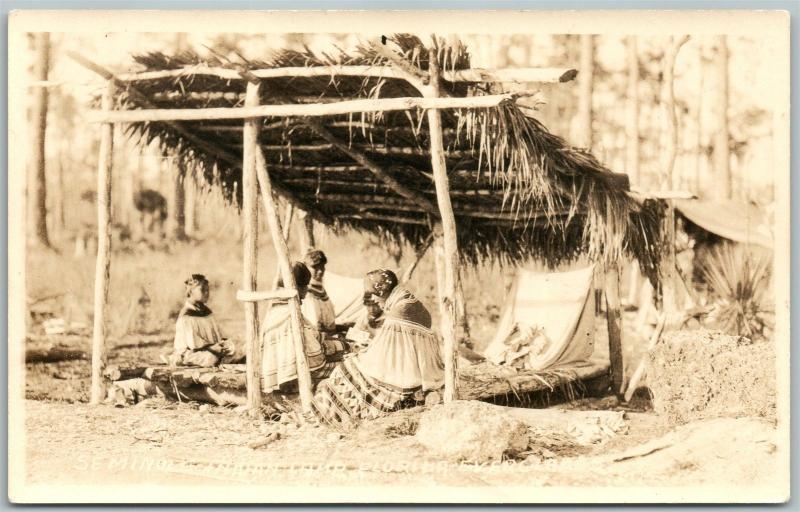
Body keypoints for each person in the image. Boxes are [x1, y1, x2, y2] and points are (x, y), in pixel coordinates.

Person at [311, 269, 444, 426]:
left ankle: (329, 417)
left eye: (374, 293)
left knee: (344, 370)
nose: (373, 298)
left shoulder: (399, 311)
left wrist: (359, 356)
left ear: (382, 289)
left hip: (406, 375)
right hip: (419, 367)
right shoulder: (408, 300)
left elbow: (382, 355)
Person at [261, 262, 344, 393]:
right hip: (298, 375)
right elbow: (315, 358)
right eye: (305, 285)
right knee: (349, 366)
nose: (307, 289)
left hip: (278, 373)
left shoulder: (276, 311)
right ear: (298, 288)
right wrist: (339, 347)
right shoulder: (291, 315)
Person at [168, 274, 234, 367]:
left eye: (208, 290)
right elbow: (194, 345)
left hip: (212, 349)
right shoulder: (186, 316)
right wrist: (213, 349)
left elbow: (219, 335)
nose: (206, 293)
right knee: (210, 358)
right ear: (190, 292)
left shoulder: (207, 312)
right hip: (192, 353)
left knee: (238, 347)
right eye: (202, 290)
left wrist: (222, 345)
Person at [301, 249, 337, 333]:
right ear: (306, 268)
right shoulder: (306, 294)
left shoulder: (321, 290)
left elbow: (330, 324)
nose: (320, 271)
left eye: (322, 266)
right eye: (315, 267)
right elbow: (314, 329)